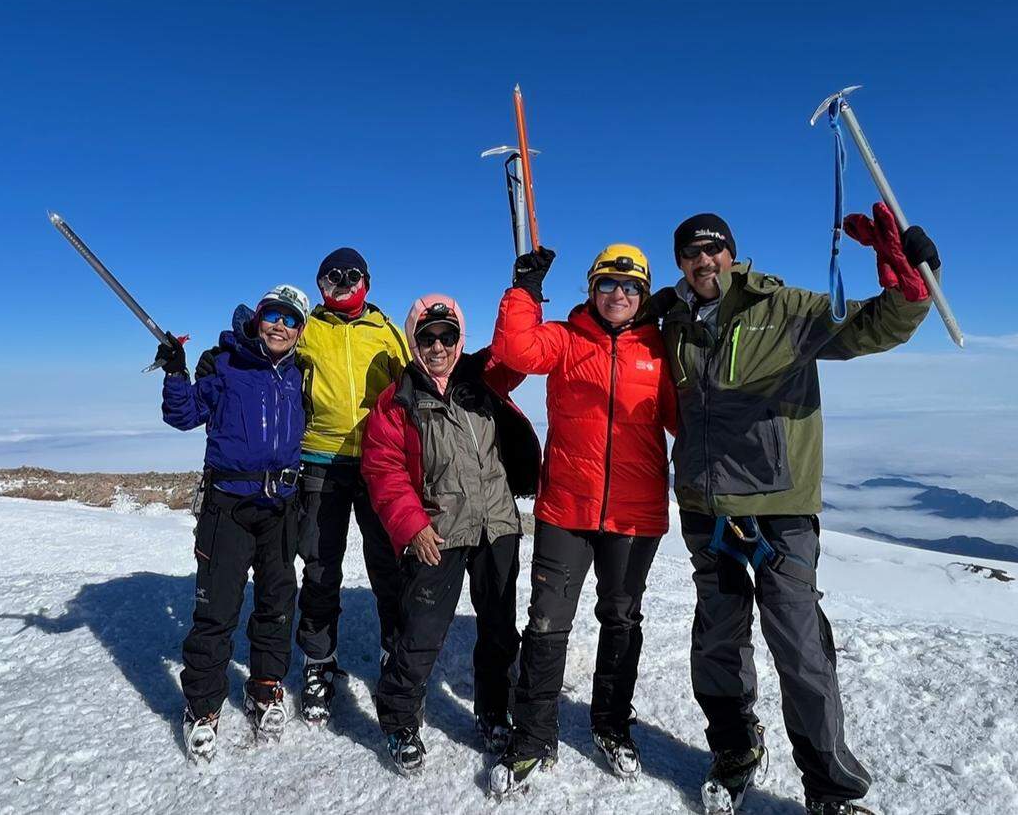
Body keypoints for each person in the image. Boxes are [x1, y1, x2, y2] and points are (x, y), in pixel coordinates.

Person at [649, 207, 940, 815]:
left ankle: (829, 788)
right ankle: (733, 749)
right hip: (705, 508)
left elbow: (867, 329)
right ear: (681, 262)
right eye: (693, 253)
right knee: (717, 643)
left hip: (778, 509)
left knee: (801, 650)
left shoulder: (782, 308)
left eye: (716, 250)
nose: (706, 261)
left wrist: (907, 284)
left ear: (732, 253)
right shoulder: (670, 320)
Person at [487, 244, 677, 795]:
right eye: (608, 284)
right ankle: (533, 735)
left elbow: (684, 418)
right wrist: (523, 291)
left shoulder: (657, 349)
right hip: (566, 509)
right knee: (547, 622)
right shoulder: (567, 339)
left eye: (631, 286)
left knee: (621, 619)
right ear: (592, 289)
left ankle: (611, 724)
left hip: (634, 515)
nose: (619, 294)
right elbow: (518, 349)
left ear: (643, 295)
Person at [196, 247, 411, 725]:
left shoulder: (388, 331)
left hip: (379, 460)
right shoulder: (307, 326)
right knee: (319, 565)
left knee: (387, 565)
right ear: (319, 285)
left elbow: (412, 385)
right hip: (318, 462)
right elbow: (261, 353)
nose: (340, 283)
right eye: (329, 277)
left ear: (366, 281)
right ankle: (319, 662)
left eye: (350, 276)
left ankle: (394, 653)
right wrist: (221, 355)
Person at [360, 294, 540, 775]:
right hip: (437, 533)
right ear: (414, 341)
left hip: (497, 527)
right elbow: (383, 469)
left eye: (447, 336)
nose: (438, 346)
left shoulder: (484, 379)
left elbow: (519, 350)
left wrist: (526, 294)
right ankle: (400, 720)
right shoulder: (398, 399)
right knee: (421, 631)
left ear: (460, 338)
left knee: (499, 628)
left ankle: (492, 711)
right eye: (427, 337)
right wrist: (413, 526)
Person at [158, 284, 310, 762]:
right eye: (272, 315)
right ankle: (202, 707)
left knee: (277, 604)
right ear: (257, 319)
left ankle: (265, 687)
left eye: (289, 319)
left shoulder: (300, 374)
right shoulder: (225, 366)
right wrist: (176, 372)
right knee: (216, 609)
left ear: (300, 330)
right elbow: (182, 416)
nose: (279, 325)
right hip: (228, 506)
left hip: (281, 506)